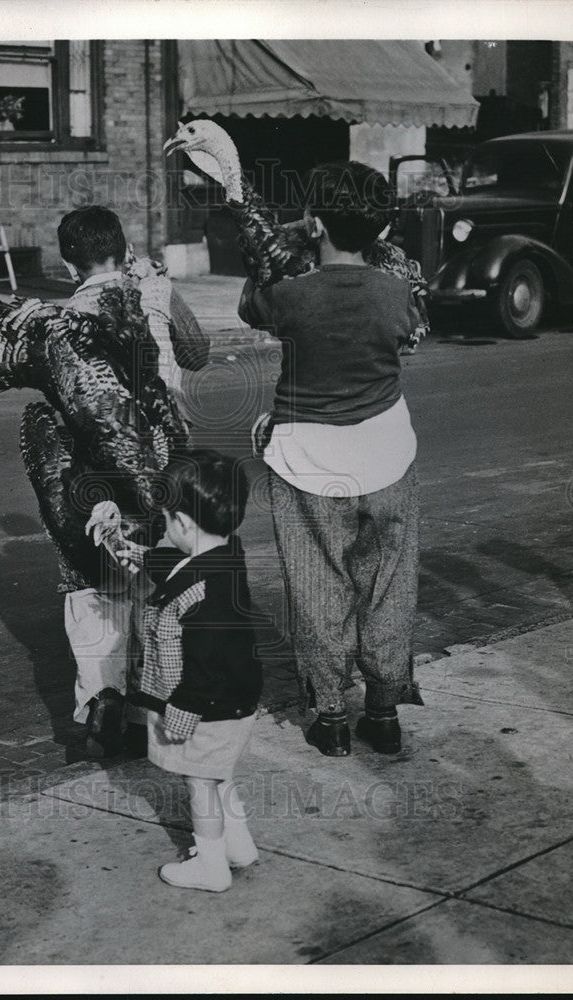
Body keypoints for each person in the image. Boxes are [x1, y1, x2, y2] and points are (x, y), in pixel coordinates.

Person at [238, 161, 424, 759]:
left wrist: (294, 235)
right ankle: (386, 710)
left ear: (316, 220)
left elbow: (251, 304)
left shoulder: (288, 297)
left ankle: (331, 717)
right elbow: (407, 332)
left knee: (319, 588)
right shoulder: (398, 293)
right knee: (389, 584)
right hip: (388, 451)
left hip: (307, 459)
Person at [57, 206, 210, 758]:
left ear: (67, 264)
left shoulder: (60, 319)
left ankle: (102, 696)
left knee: (93, 582)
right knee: (157, 583)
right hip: (161, 461)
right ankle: (158, 707)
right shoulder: (153, 294)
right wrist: (164, 292)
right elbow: (198, 353)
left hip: (91, 469)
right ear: (124, 252)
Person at [122, 449, 262, 892]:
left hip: (206, 707)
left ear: (181, 522)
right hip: (235, 705)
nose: (165, 529)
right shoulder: (226, 557)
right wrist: (142, 556)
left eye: (165, 521)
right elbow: (181, 564)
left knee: (199, 783)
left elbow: (205, 663)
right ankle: (238, 846)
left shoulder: (200, 591)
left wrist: (181, 714)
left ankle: (211, 867)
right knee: (221, 775)